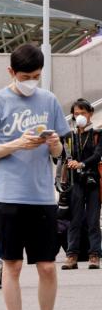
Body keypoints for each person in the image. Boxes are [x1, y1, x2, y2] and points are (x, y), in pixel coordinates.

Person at [0, 43, 72, 310]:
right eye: (26, 76)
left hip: (43, 196)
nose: (32, 81)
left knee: (47, 266)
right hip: (8, 196)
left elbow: (59, 153)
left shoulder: (49, 100)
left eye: (36, 75)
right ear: (11, 73)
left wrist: (56, 144)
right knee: (13, 265)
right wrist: (16, 144)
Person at [61, 98, 101, 270]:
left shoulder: (98, 134)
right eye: (76, 114)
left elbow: (98, 155)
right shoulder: (69, 136)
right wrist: (70, 162)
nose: (80, 117)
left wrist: (82, 164)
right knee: (74, 220)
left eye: (83, 113)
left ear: (90, 113)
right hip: (75, 182)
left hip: (92, 181)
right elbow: (64, 155)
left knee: (93, 220)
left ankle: (94, 256)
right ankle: (72, 256)